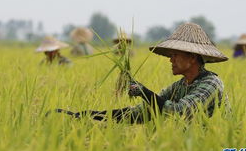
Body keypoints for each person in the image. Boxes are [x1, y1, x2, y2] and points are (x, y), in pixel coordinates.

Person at [52, 23, 229, 123]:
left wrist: (144, 92)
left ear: (192, 58)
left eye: (175, 55)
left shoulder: (211, 83)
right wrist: (85, 115)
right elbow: (139, 113)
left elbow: (180, 111)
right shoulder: (180, 86)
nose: (170, 59)